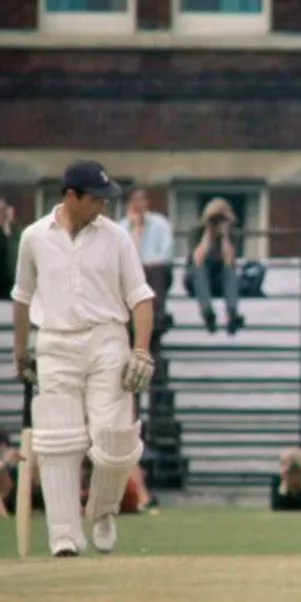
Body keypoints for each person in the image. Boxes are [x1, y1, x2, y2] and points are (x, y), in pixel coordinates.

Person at [11, 159, 156, 557]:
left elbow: (141, 297)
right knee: (58, 440)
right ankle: (64, 535)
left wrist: (141, 348)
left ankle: (104, 509)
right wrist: (19, 352)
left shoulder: (116, 238)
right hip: (55, 341)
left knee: (113, 436)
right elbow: (22, 299)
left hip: (107, 338)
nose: (103, 207)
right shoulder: (34, 238)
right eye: (96, 199)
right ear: (71, 196)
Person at [184, 197, 245, 335]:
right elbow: (197, 260)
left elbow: (230, 261)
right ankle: (208, 313)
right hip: (196, 279)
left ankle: (232, 315)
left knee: (230, 271)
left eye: (221, 219)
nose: (217, 223)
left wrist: (224, 236)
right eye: (214, 219)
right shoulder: (197, 232)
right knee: (200, 271)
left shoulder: (233, 234)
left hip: (219, 279)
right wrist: (208, 234)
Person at [119, 187, 175, 334]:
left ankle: (156, 323)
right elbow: (127, 257)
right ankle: (137, 327)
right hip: (134, 277)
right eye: (135, 200)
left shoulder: (160, 223)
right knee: (132, 275)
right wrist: (136, 229)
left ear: (147, 202)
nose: (139, 204)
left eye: (142, 200)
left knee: (154, 272)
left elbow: (166, 253)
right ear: (128, 204)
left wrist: (145, 266)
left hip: (158, 274)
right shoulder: (123, 227)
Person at [271, 447, 301, 511]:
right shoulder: (277, 481)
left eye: (297, 472)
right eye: (291, 472)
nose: (294, 476)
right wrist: (285, 486)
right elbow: (276, 508)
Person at [0, 198, 21, 300]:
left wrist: (8, 230)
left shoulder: (14, 235)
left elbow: (15, 261)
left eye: (3, 210)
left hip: (10, 294)